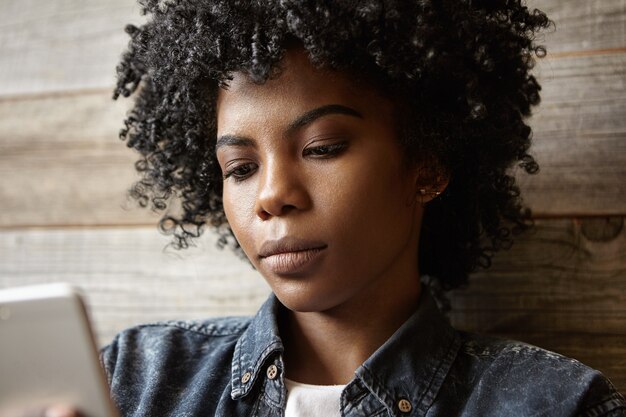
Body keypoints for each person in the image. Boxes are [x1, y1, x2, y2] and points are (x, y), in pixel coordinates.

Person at [99, 0, 626, 416]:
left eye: (323, 148)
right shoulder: (135, 381)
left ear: (428, 164)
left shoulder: (557, 405)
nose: (270, 194)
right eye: (240, 168)